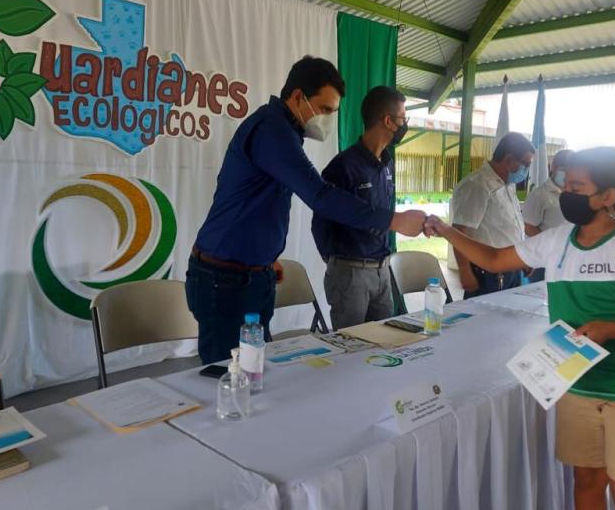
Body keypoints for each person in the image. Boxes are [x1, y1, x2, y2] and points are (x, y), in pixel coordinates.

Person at [425, 147, 615, 510]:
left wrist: (611, 329)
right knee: (587, 482)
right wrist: (445, 231)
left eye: (577, 187)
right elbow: (496, 259)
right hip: (577, 383)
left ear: (607, 196)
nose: (565, 193)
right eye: (566, 184)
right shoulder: (557, 240)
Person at [186, 56, 426, 364]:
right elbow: (320, 196)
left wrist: (264, 257)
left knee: (253, 368)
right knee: (229, 373)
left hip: (252, 274)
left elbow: (259, 203)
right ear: (298, 97)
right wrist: (392, 220)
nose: (327, 119)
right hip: (225, 279)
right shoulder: (272, 130)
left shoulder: (285, 132)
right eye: (324, 109)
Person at [311, 86, 406, 330]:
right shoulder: (343, 166)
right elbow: (320, 221)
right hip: (350, 275)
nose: (405, 124)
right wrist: (337, 262)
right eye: (402, 118)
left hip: (382, 271)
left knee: (386, 341)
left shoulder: (387, 163)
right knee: (351, 346)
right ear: (388, 121)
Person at [449, 131, 533, 298]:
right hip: (487, 273)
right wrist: (465, 271)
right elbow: (459, 231)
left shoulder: (508, 184)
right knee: (485, 314)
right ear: (509, 160)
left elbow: (511, 228)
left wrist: (523, 258)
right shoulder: (477, 185)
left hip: (512, 266)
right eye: (525, 164)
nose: (527, 170)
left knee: (511, 313)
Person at [522, 148, 574, 282]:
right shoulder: (539, 194)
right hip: (544, 258)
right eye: (564, 170)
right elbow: (528, 227)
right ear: (553, 167)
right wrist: (553, 244)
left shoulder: (574, 194)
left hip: (569, 257)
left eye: (571, 171)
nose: (567, 175)